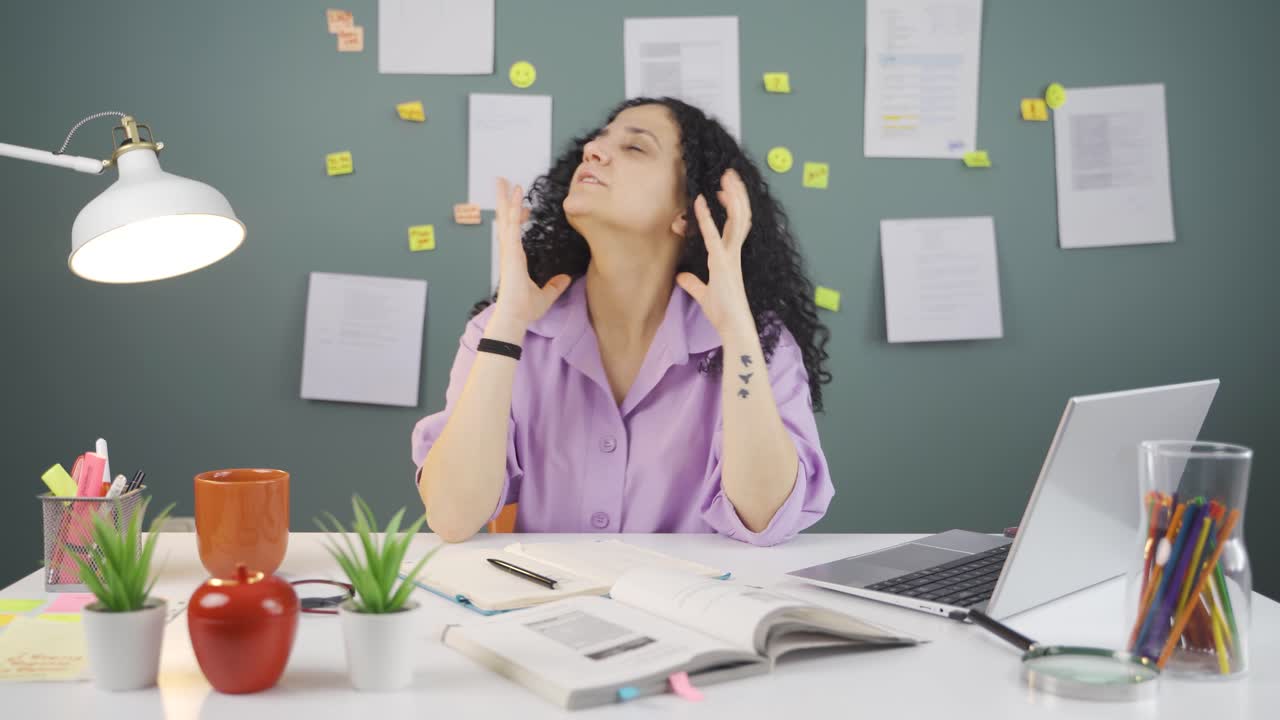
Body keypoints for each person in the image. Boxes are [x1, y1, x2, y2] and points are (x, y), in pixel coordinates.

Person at [412, 97, 833, 545]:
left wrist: (738, 333)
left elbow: (765, 517)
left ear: (688, 214)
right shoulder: (504, 330)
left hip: (691, 608)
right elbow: (452, 516)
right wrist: (508, 324)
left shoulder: (756, 341)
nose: (593, 150)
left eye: (635, 148)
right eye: (598, 140)